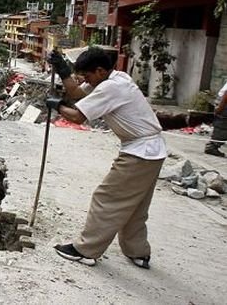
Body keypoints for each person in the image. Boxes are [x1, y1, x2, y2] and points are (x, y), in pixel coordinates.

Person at [46, 47, 166, 269]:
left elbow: (78, 116)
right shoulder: (117, 78)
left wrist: (57, 105)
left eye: (88, 76)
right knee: (135, 206)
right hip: (151, 149)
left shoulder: (111, 88)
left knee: (106, 198)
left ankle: (85, 250)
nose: (86, 81)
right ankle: (138, 251)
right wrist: (63, 71)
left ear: (100, 70)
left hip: (140, 152)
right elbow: (79, 95)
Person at [205, 79, 227, 157]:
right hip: (224, 104)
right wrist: (220, 108)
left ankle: (213, 145)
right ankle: (212, 146)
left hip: (223, 102)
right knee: (223, 127)